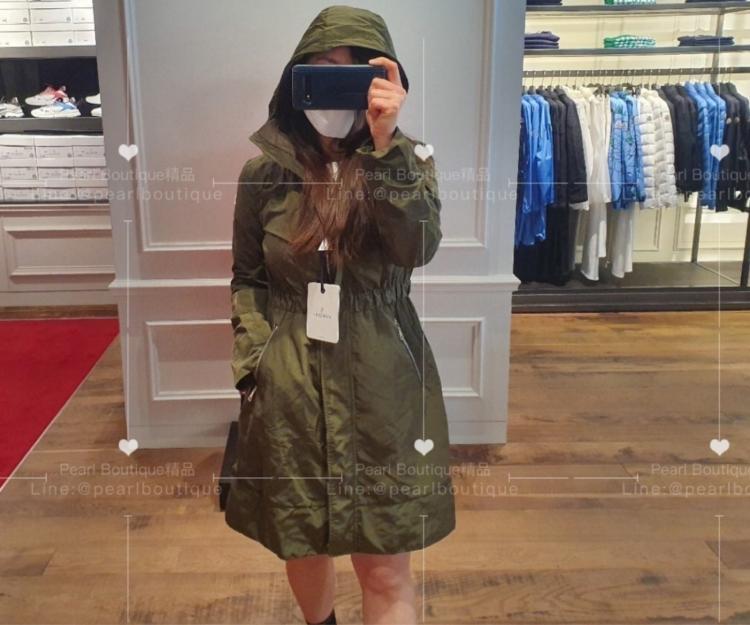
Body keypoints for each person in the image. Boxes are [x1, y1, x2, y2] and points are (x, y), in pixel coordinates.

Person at [224, 6, 455, 625]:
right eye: (325, 67)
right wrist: (254, 364)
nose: (339, 83)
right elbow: (248, 280)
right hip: (290, 383)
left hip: (383, 383)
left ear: (387, 81)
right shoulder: (263, 174)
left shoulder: (409, 159)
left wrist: (385, 146)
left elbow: (418, 248)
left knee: (385, 562)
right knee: (302, 538)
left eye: (358, 72)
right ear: (296, 77)